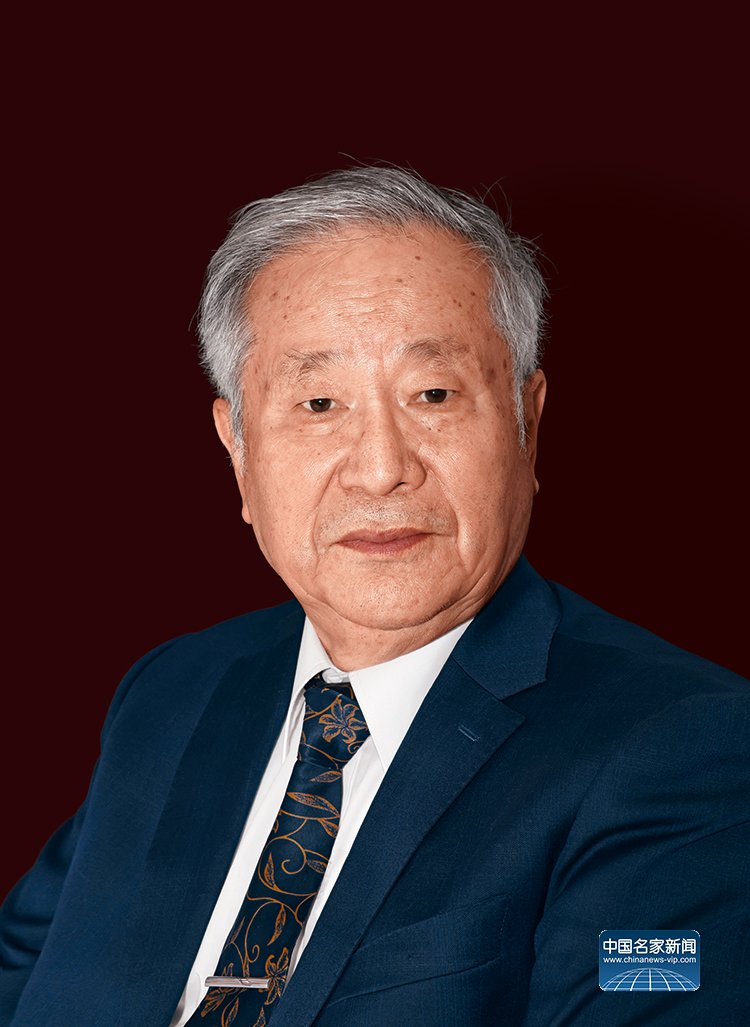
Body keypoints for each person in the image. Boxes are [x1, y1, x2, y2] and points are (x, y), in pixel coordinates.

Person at [1, 167, 747, 1027]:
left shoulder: (683, 745)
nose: (382, 467)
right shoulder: (173, 690)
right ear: (237, 449)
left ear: (527, 424)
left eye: (433, 394)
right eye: (319, 403)